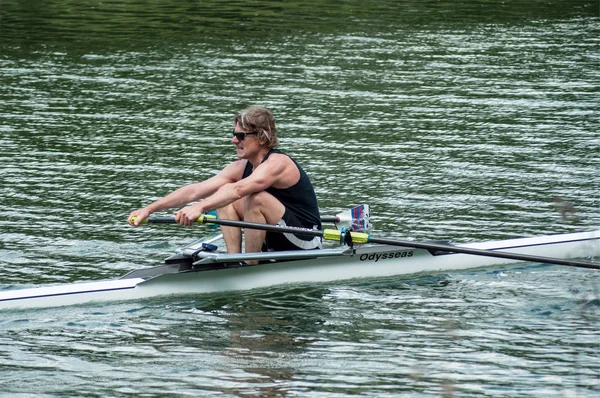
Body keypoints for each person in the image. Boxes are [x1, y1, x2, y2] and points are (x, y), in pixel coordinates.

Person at [128, 106, 322, 259]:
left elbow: (238, 190)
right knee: (223, 193)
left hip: (305, 239)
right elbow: (195, 191)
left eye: (240, 136)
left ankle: (249, 264)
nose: (233, 140)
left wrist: (200, 208)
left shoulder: (278, 163)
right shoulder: (241, 167)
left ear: (262, 137)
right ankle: (235, 260)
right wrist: (150, 209)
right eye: (234, 134)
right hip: (278, 233)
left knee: (254, 198)